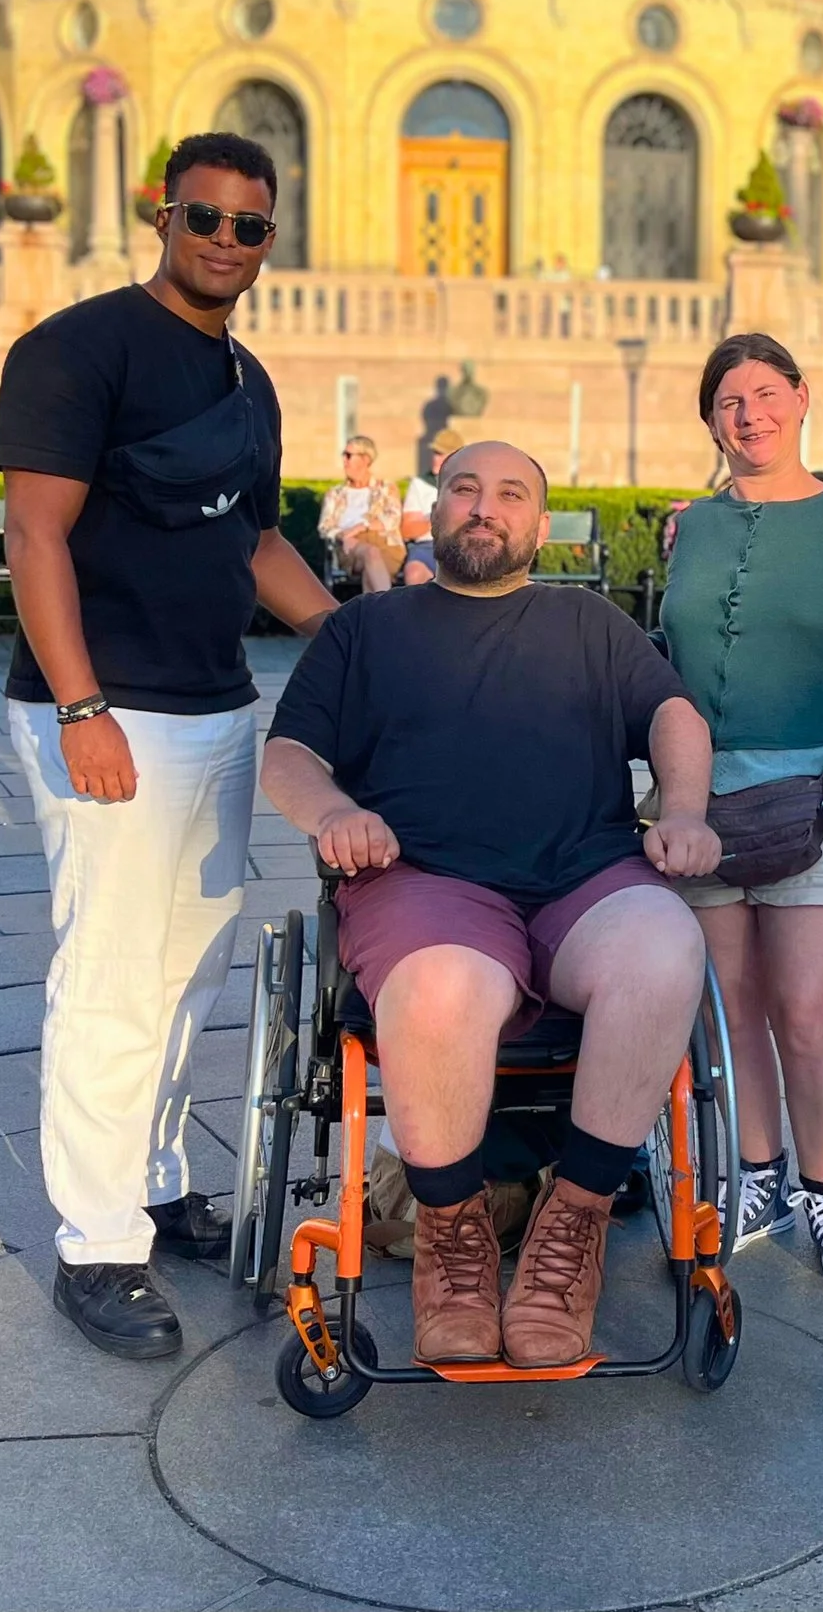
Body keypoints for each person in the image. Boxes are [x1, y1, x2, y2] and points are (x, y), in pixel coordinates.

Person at [261, 440, 722, 1369]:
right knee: (440, 989)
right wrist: (337, 813)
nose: (485, 507)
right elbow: (289, 755)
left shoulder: (586, 623)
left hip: (582, 877)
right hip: (426, 881)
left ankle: (573, 1226)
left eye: (511, 494)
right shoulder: (369, 629)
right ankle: (454, 1240)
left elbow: (675, 716)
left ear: (538, 526)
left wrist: (682, 812)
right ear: (435, 510)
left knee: (667, 948)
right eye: (465, 489)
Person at [0, 130, 338, 1362]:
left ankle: (149, 1177)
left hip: (216, 707)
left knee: (189, 968)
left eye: (251, 227)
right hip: (108, 713)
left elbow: (252, 543)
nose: (227, 244)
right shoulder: (77, 350)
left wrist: (351, 642)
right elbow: (35, 539)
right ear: (162, 215)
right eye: (206, 220)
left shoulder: (249, 382)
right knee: (109, 976)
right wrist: (83, 711)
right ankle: (94, 1245)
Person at [660, 334, 823, 1285]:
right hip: (696, 799)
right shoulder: (688, 526)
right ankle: (760, 1174)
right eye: (729, 401)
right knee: (732, 1010)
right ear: (710, 419)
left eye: (766, 394)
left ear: (803, 399)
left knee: (808, 1012)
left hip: (821, 799)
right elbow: (667, 649)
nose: (750, 414)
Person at [320, 435, 405, 593]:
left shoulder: (386, 488)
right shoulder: (335, 494)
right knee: (371, 553)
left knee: (370, 570)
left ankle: (374, 617)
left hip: (385, 543)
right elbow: (325, 527)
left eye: (349, 455)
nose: (344, 460)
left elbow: (393, 519)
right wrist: (344, 535)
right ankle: (393, 611)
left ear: (365, 459)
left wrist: (360, 527)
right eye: (344, 455)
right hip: (350, 546)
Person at [397, 426, 464, 584]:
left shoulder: (469, 485)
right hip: (427, 547)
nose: (435, 458)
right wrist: (439, 518)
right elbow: (407, 530)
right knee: (414, 572)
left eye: (441, 454)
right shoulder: (420, 484)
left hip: (461, 546)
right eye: (435, 453)